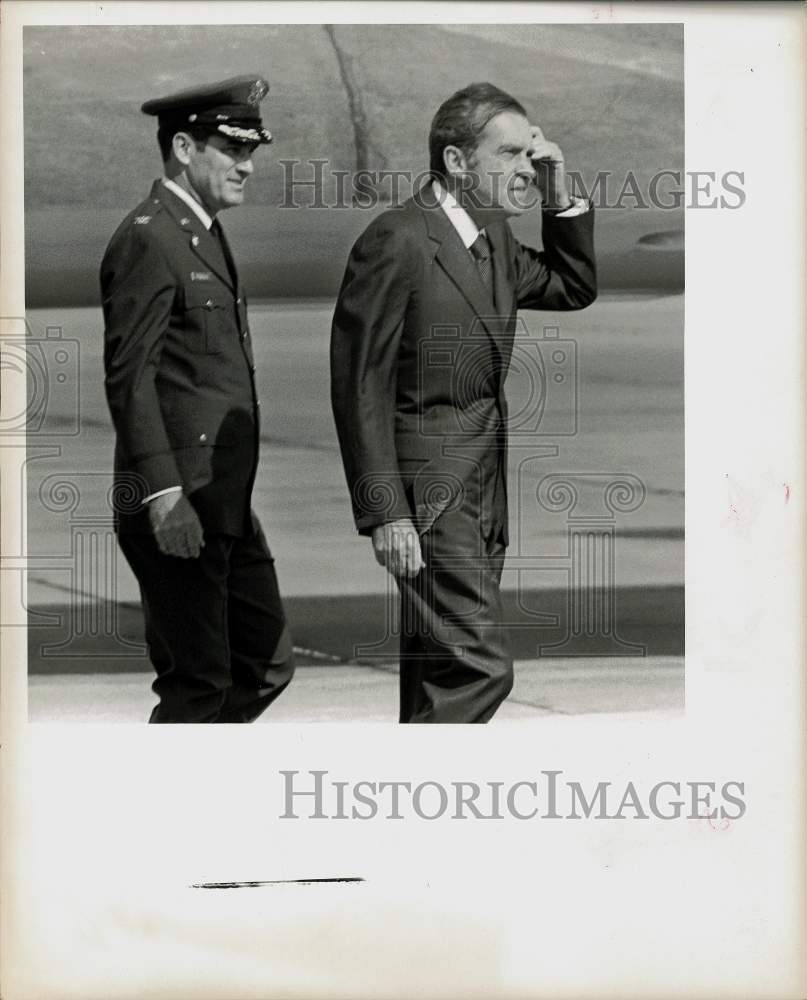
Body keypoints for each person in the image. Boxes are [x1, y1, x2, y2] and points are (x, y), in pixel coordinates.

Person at [330, 82, 597, 724]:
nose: (525, 169)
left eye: (529, 155)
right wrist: (384, 512)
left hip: (484, 493)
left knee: (441, 674)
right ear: (456, 162)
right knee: (480, 668)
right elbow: (358, 384)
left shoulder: (494, 240)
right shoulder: (397, 239)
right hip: (429, 499)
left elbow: (572, 285)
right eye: (508, 154)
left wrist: (560, 192)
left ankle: (417, 810)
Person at [101, 74, 294, 723]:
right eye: (232, 150)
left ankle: (198, 788)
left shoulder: (200, 230)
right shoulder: (150, 238)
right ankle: (174, 810)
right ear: (184, 148)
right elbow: (130, 378)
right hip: (178, 502)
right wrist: (162, 496)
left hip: (222, 499)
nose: (247, 166)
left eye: (250, 152)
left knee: (265, 663)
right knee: (199, 682)